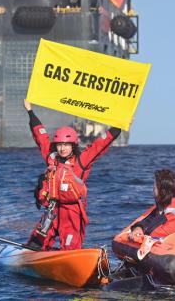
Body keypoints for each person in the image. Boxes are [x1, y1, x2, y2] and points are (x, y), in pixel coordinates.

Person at [24, 99, 121, 251]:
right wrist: (30, 111)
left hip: (72, 213)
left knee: (70, 248)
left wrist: (120, 125)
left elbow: (100, 144)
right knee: (34, 245)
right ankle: (33, 255)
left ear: (73, 146)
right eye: (59, 144)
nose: (62, 148)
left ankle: (70, 260)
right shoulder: (51, 157)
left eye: (66, 145)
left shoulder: (82, 161)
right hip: (52, 210)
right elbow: (40, 136)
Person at [127, 169, 175, 245]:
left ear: (162, 190)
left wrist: (137, 236)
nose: (153, 190)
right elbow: (148, 220)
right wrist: (138, 228)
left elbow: (152, 233)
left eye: (155, 187)